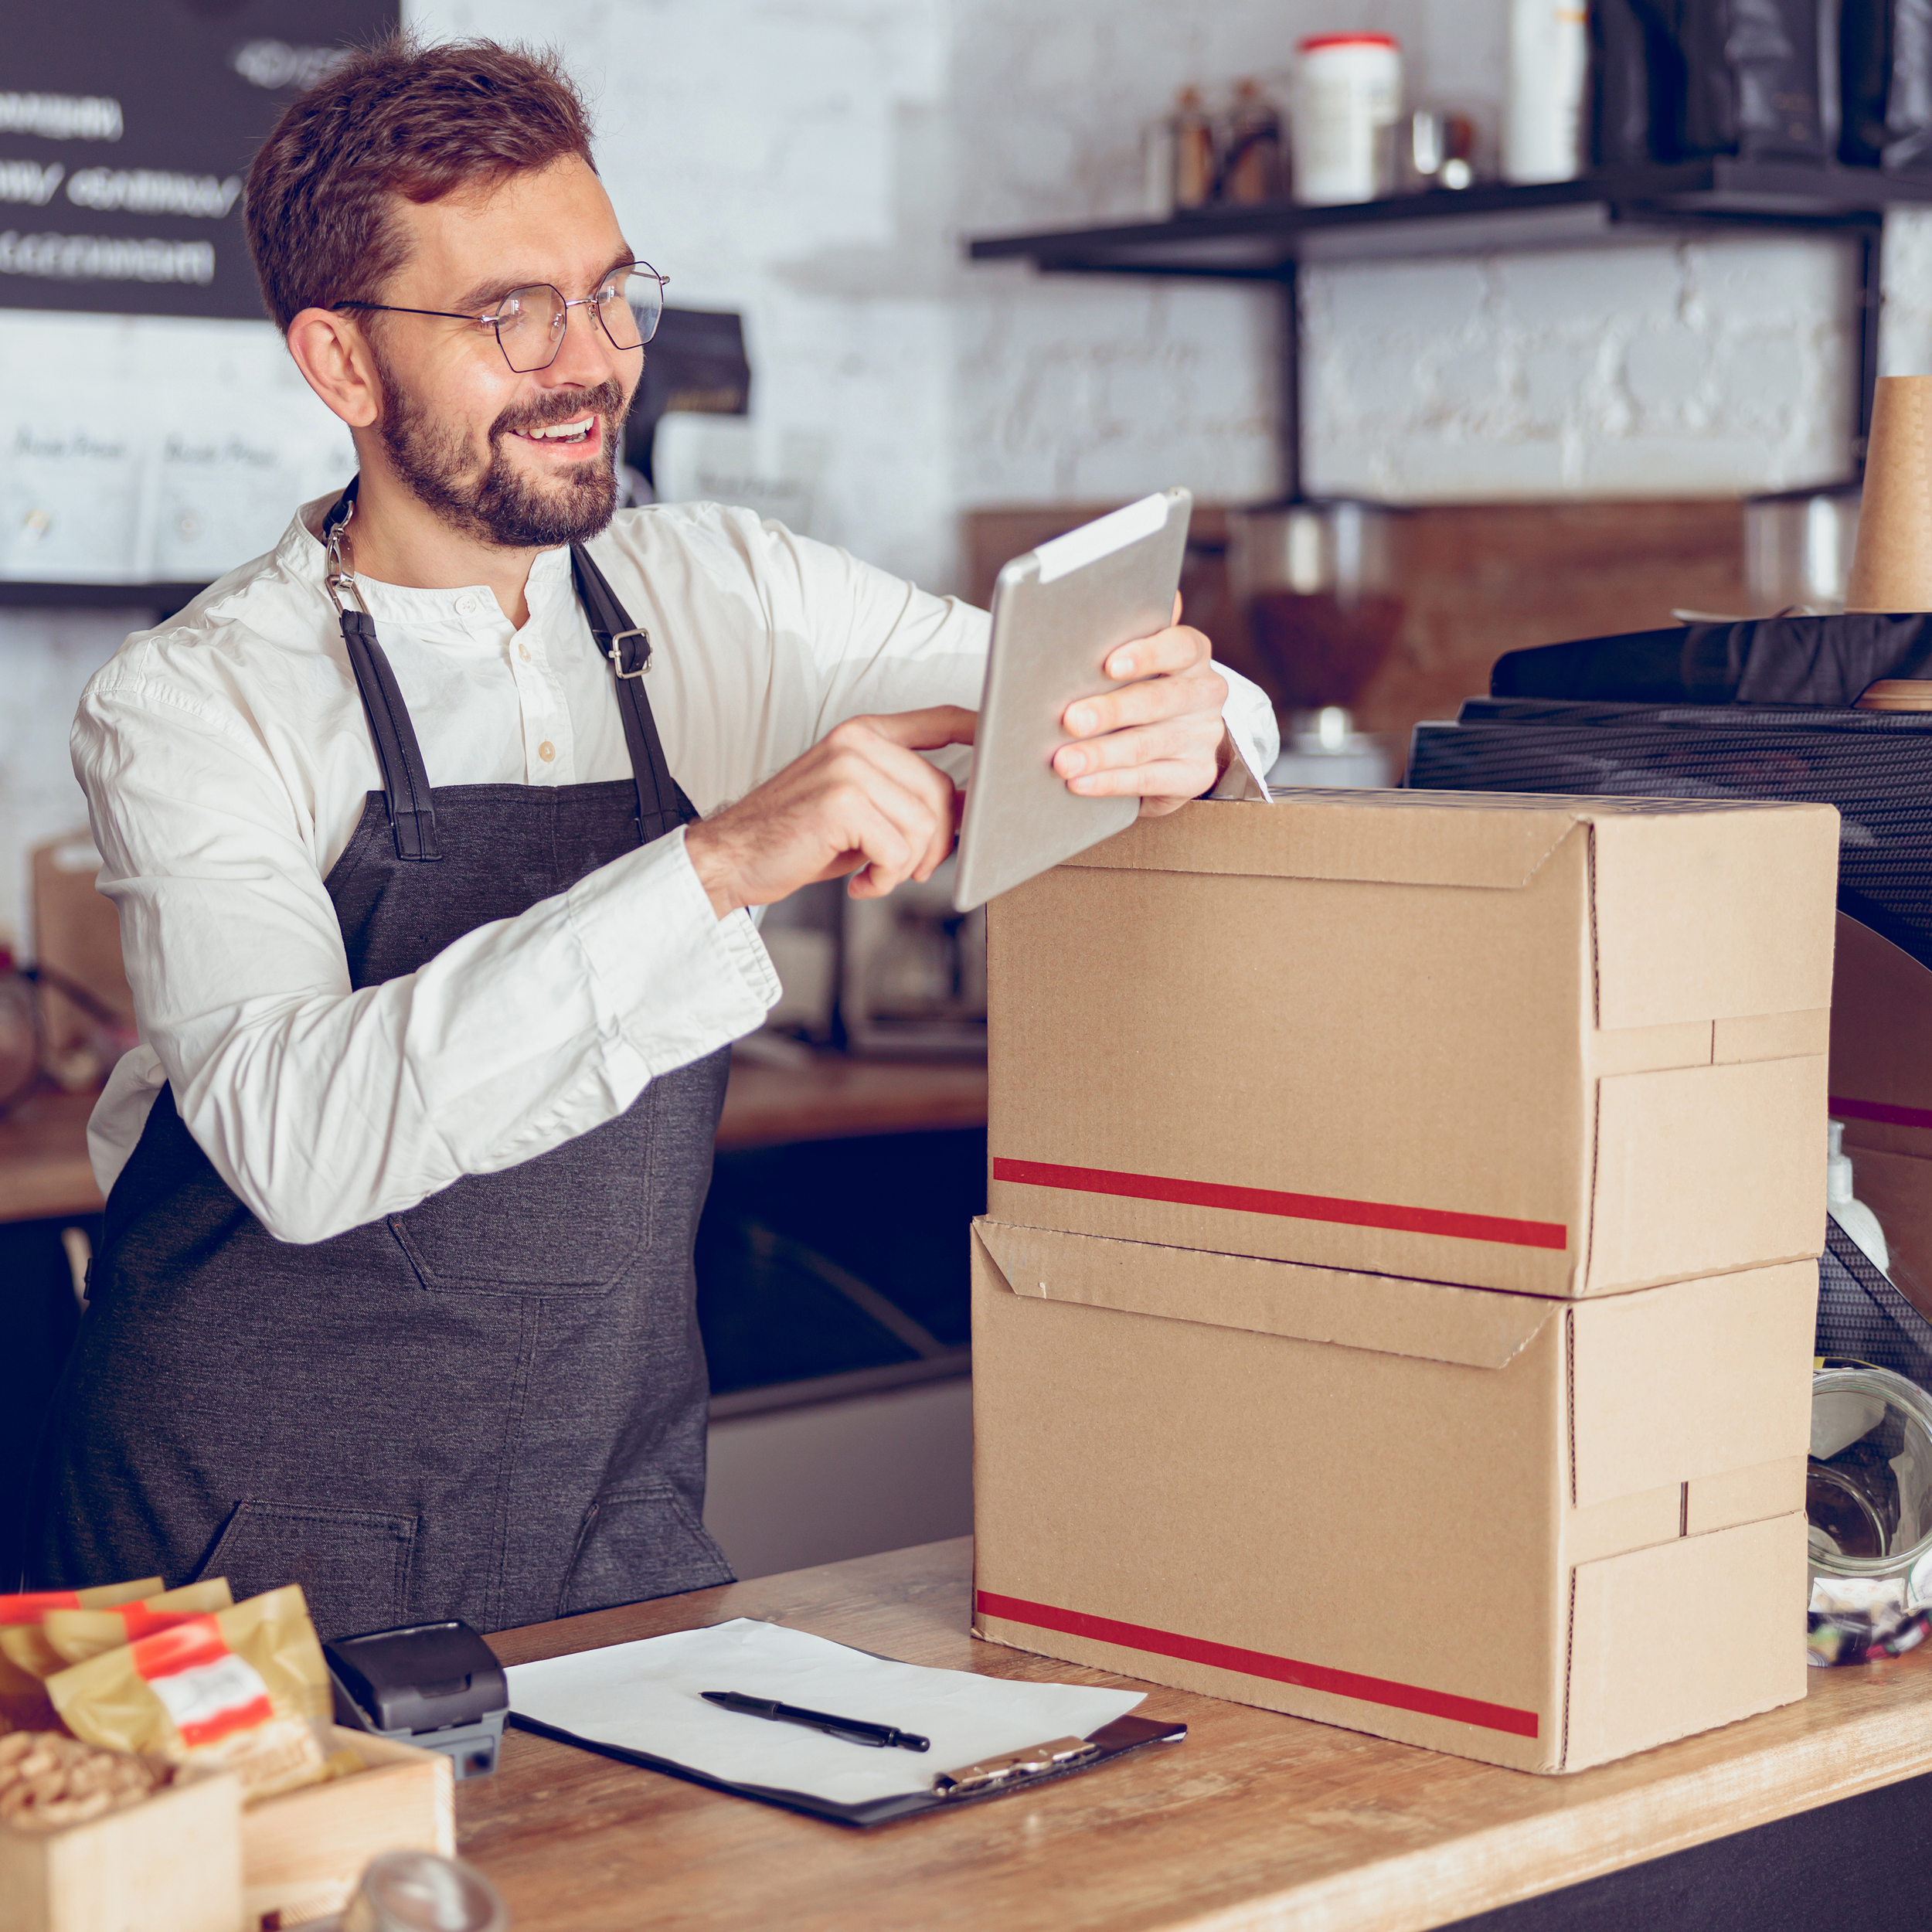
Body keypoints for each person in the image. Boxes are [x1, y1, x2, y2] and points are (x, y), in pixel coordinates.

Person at [25, 36, 1277, 1636]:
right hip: (239, 1544)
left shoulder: (727, 591)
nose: (593, 361)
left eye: (610, 293)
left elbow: (1099, 683)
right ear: (341, 364)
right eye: (511, 314)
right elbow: (298, 1141)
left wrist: (1193, 725)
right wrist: (719, 865)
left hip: (601, 1513)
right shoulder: (195, 697)